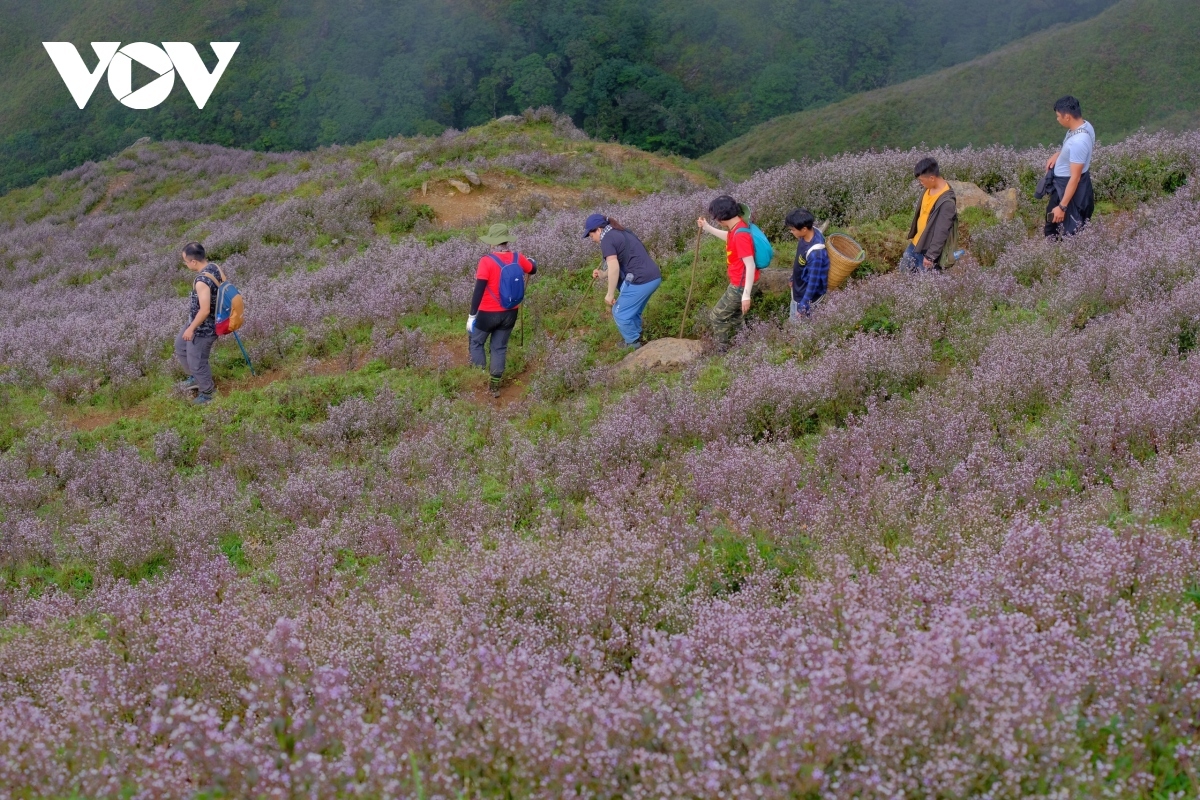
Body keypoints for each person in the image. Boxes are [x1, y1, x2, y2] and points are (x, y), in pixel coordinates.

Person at [468, 223, 536, 398]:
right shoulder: (517, 258)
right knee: (499, 347)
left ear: (492, 243)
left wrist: (472, 315)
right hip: (510, 313)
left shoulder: (486, 261)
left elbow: (479, 290)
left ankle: (479, 377)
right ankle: (495, 386)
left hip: (487, 313)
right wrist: (531, 261)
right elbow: (533, 269)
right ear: (506, 241)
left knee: (476, 342)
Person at [582, 213, 662, 349]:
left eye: (591, 235)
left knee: (620, 313)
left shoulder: (607, 239)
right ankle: (638, 336)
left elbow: (614, 267)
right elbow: (619, 264)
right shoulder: (621, 231)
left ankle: (633, 345)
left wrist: (610, 294)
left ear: (599, 230)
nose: (592, 239)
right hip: (653, 277)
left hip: (640, 280)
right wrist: (602, 274)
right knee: (632, 311)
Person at [697, 195, 760, 347]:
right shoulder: (738, 225)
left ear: (720, 219)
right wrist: (707, 228)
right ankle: (744, 343)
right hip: (741, 282)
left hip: (740, 285)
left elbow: (750, 265)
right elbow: (730, 237)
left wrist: (745, 295)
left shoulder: (741, 235)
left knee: (717, 317)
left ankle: (722, 350)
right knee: (736, 315)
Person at [176, 241, 225, 405]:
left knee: (197, 361)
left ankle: (208, 393)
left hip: (205, 327)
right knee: (181, 346)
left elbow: (204, 310)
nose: (185, 264)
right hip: (198, 321)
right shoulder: (214, 267)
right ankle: (194, 378)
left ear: (193, 262)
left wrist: (191, 328)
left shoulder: (202, 281)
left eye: (185, 261)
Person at [1044, 95, 1095, 238]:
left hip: (1067, 186)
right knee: (1053, 221)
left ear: (1067, 117)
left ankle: (1059, 254)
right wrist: (1059, 154)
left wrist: (1062, 206)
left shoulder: (1079, 142)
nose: (1057, 119)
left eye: (1058, 116)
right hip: (1066, 183)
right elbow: (1075, 150)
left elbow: (1075, 177)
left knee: (1059, 227)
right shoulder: (1085, 126)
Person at [901, 158, 958, 273]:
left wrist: (931, 256)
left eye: (922, 180)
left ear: (932, 178)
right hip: (916, 243)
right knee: (905, 272)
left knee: (926, 283)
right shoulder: (929, 188)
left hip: (928, 250)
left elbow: (942, 231)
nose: (921, 183)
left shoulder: (947, 202)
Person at [785, 209, 828, 319]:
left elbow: (813, 283)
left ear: (804, 229)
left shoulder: (816, 254)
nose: (791, 232)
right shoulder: (805, 236)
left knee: (799, 329)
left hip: (805, 298)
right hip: (798, 289)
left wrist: (803, 307)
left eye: (793, 230)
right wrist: (793, 278)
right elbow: (800, 263)